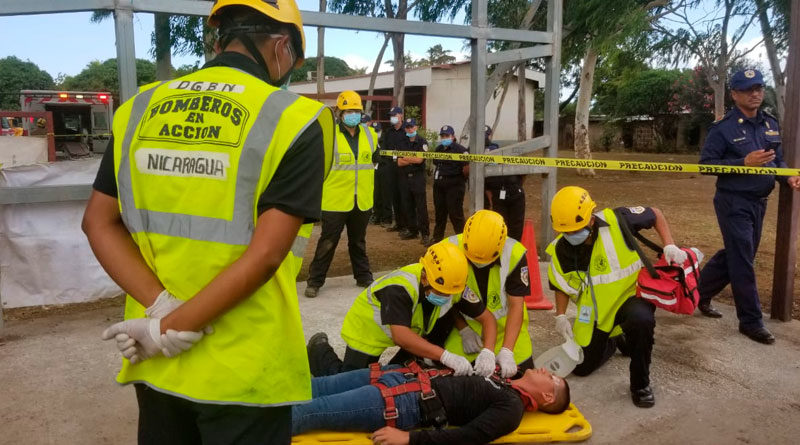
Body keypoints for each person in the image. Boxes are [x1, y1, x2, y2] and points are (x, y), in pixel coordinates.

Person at [83, 1, 334, 443]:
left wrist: (159, 311)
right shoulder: (296, 119)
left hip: (158, 358)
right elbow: (266, 255)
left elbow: (98, 223)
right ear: (281, 46)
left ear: (219, 37)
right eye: (293, 58)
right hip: (244, 368)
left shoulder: (139, 108)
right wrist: (168, 326)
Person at [547, 186, 688, 408]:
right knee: (582, 368)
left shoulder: (617, 219)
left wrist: (669, 244)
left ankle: (640, 385)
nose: (571, 236)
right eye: (566, 232)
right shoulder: (560, 250)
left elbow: (656, 213)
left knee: (641, 322)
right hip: (596, 311)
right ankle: (615, 339)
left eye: (577, 230)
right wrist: (561, 316)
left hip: (630, 296)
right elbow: (560, 285)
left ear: (591, 219)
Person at [697, 69, 800, 345]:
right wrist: (743, 163)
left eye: (758, 88)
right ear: (734, 94)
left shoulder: (769, 124)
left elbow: (776, 160)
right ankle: (751, 321)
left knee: (737, 253)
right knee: (743, 259)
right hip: (733, 201)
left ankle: (697, 292)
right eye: (747, 89)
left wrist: (787, 175)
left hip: (759, 201)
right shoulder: (723, 128)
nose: (755, 93)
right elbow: (706, 166)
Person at [307, 242, 499, 378]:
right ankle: (318, 348)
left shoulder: (451, 283)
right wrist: (445, 356)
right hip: (367, 332)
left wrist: (488, 352)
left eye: (450, 293)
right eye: (440, 291)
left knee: (394, 380)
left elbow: (487, 319)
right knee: (350, 384)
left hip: (412, 330)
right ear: (425, 277)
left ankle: (406, 366)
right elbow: (401, 336)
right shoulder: (400, 287)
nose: (446, 296)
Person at [292, 365, 570, 445]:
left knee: (310, 412)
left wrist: (409, 439)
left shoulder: (511, 408)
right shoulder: (505, 378)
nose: (546, 370)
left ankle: (249, 429)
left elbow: (468, 437)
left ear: (547, 397)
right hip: (401, 374)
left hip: (404, 402)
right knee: (315, 386)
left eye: (552, 378)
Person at [443, 210, 534, 378]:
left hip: (506, 330)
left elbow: (516, 305)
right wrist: (463, 330)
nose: (478, 263)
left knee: (520, 378)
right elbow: (446, 297)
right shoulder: (449, 249)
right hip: (466, 330)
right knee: (459, 376)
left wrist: (507, 351)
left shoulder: (513, 253)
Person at [305, 91, 377, 298]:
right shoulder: (329, 136)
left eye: (356, 111)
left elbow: (372, 160)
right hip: (335, 200)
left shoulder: (370, 135)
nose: (353, 114)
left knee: (358, 241)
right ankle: (315, 281)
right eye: (348, 111)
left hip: (361, 200)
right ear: (338, 112)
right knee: (328, 242)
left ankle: (363, 277)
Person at [484, 125, 526, 240]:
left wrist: (518, 187)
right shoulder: (485, 172)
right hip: (499, 198)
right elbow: (487, 189)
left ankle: (515, 250)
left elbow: (523, 173)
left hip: (516, 195)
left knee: (516, 227)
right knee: (501, 227)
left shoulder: (508, 166)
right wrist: (492, 202)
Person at [431, 124, 468, 245]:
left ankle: (463, 239)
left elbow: (466, 169)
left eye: (447, 135)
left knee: (455, 214)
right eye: (442, 136)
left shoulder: (461, 150)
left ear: (453, 136)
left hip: (454, 186)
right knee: (440, 214)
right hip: (439, 186)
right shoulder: (438, 149)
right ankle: (437, 239)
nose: (444, 138)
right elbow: (436, 163)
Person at [397, 118, 431, 244]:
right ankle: (412, 230)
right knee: (407, 205)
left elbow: (419, 160)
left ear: (416, 127)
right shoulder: (401, 142)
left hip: (418, 177)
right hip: (405, 177)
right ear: (405, 129)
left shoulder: (422, 141)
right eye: (407, 127)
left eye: (411, 127)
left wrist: (407, 158)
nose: (409, 129)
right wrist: (412, 158)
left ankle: (425, 234)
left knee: (421, 206)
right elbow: (399, 162)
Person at [379, 107, 408, 231]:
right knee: (394, 196)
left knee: (404, 196)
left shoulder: (406, 130)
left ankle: (407, 224)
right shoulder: (388, 132)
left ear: (401, 115)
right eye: (391, 115)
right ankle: (398, 223)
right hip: (391, 167)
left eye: (394, 115)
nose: (392, 117)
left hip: (404, 167)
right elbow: (384, 150)